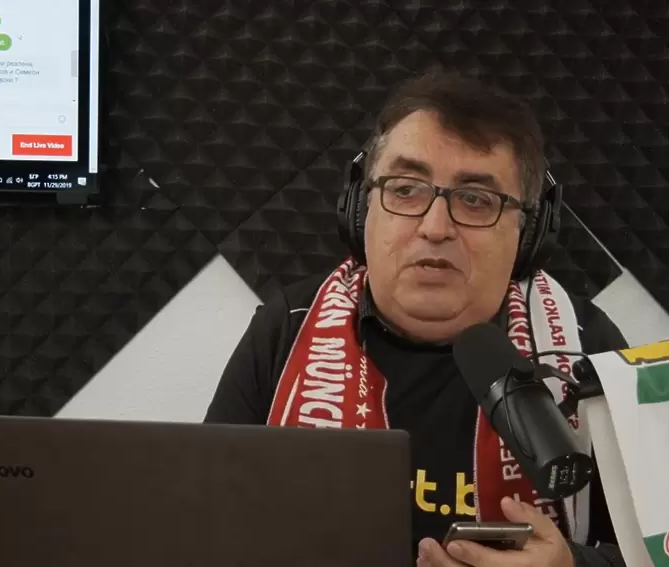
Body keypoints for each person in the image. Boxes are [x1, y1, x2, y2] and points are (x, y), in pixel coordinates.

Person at [205, 70, 629, 567]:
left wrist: (572, 566)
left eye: (476, 199)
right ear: (360, 209)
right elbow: (202, 530)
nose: (435, 227)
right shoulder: (286, 329)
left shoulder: (584, 346)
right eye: (406, 189)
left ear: (528, 234)